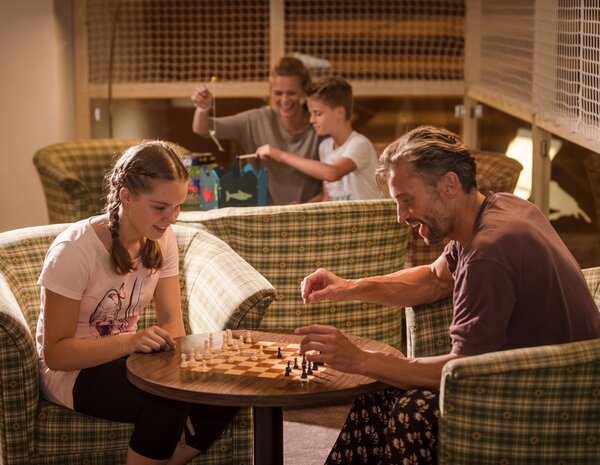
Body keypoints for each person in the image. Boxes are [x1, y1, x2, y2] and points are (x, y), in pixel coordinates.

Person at [295, 125, 600, 464]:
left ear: (449, 185)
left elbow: (461, 370)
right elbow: (433, 279)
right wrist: (348, 287)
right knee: (380, 391)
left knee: (409, 411)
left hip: (554, 401)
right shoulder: (496, 208)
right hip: (540, 378)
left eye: (407, 200)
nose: (401, 217)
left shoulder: (490, 252)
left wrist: (359, 359)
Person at [35, 141, 238, 465]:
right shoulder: (73, 250)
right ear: (126, 196)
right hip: (72, 373)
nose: (170, 218)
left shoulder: (162, 236)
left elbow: (172, 320)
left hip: (127, 358)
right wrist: (131, 341)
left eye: (177, 207)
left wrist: (185, 372)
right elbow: (56, 354)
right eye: (160, 207)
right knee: (166, 402)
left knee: (228, 388)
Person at [191, 56, 322, 205]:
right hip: (265, 216)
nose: (284, 100)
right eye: (278, 93)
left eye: (291, 93)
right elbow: (203, 129)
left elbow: (333, 180)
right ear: (270, 92)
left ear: (304, 93)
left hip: (310, 214)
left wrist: (303, 208)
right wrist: (202, 108)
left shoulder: (318, 125)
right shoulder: (256, 119)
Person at [256, 76, 381, 202]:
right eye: (311, 113)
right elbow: (327, 198)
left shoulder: (359, 144)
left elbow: (332, 173)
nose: (311, 120)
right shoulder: (325, 147)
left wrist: (281, 156)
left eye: (318, 113)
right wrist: (302, 208)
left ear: (340, 112)